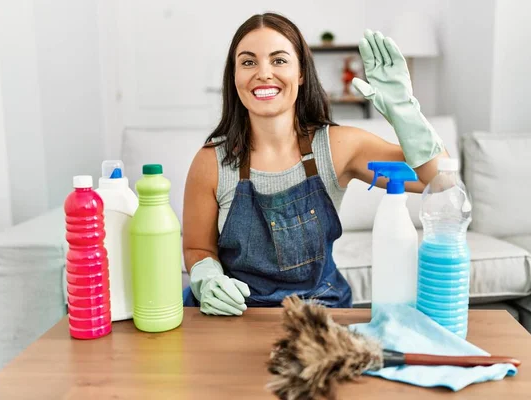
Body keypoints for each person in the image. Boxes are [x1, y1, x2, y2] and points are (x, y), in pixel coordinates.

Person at [182, 12, 448, 316]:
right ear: (234, 76)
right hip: (236, 315)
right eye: (248, 62)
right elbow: (197, 248)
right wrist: (208, 278)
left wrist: (405, 112)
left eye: (279, 60)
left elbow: (440, 182)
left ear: (301, 73)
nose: (263, 73)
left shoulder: (338, 147)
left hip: (319, 316)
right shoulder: (211, 161)